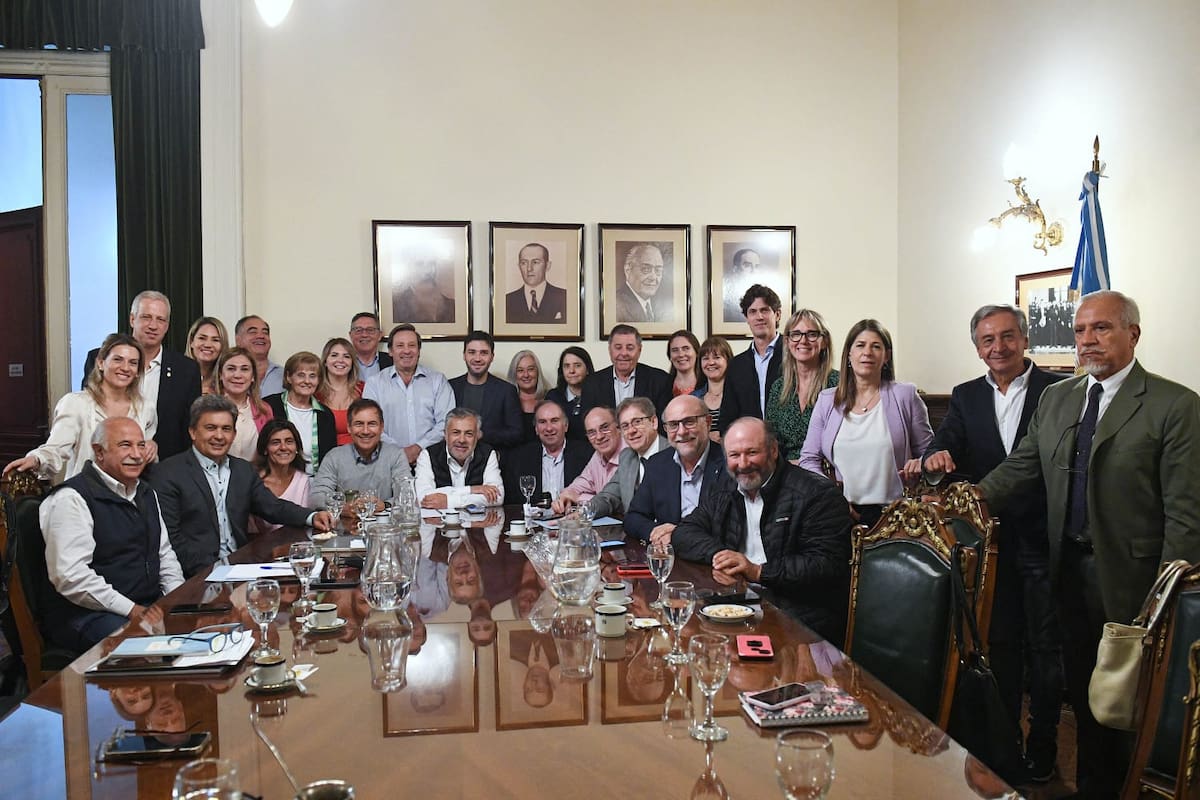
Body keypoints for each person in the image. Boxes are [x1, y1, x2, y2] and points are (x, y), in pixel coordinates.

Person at [978, 290, 1200, 798]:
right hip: (1067, 571)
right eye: (1080, 331)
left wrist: (1168, 601)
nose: (1087, 341)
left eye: (1101, 328)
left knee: (1131, 704)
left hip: (1135, 582)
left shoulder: (1175, 405)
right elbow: (1023, 466)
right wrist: (971, 498)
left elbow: (1186, 516)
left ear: (1132, 334)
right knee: (1082, 692)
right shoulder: (1059, 398)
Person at [921, 303, 1064, 782]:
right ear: (977, 348)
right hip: (990, 543)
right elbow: (943, 444)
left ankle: (1043, 746)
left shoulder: (1058, 391)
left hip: (1043, 538)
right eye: (988, 340)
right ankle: (1006, 745)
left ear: (1024, 340)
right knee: (998, 646)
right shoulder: (966, 395)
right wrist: (935, 456)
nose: (998, 347)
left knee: (1045, 648)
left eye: (1006, 337)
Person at [672, 417, 853, 646]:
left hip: (800, 619)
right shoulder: (725, 488)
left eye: (752, 452)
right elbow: (684, 533)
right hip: (737, 604)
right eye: (734, 455)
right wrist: (723, 556)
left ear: (773, 450)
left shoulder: (817, 494)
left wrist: (757, 571)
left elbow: (826, 565)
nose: (743, 464)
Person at [37, 417, 184, 652]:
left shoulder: (146, 493)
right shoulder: (71, 498)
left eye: (141, 445)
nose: (136, 455)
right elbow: (70, 576)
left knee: (201, 631)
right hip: (87, 614)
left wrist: (177, 600)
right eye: (125, 445)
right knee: (149, 648)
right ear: (99, 452)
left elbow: (164, 554)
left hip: (144, 604)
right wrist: (131, 609)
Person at [150, 395, 332, 578]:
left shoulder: (242, 470)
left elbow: (273, 506)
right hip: (195, 575)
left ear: (234, 434)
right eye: (211, 428)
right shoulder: (168, 473)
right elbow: (171, 538)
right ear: (193, 432)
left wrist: (311, 516)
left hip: (242, 568)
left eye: (226, 429)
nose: (219, 436)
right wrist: (209, 574)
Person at [800, 319, 932, 527]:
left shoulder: (905, 395)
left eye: (876, 346)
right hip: (843, 511)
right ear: (849, 354)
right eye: (860, 345)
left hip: (896, 514)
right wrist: (831, 495)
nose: (867, 352)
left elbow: (930, 454)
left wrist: (920, 463)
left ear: (886, 356)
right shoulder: (827, 400)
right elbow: (808, 459)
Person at [6, 334, 157, 482]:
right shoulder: (75, 404)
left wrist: (151, 447)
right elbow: (56, 448)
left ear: (138, 371)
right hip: (83, 493)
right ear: (100, 363)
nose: (125, 368)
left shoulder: (145, 407)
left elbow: (144, 448)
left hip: (130, 494)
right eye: (118, 359)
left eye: (133, 363)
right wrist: (36, 459)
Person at [80, 290, 201, 459]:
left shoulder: (186, 369)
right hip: (106, 461)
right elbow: (88, 414)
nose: (153, 326)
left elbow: (189, 427)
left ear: (167, 326)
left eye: (160, 320)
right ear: (132, 319)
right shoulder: (99, 358)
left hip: (164, 466)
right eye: (146, 317)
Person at [628, 394, 726, 544]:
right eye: (673, 425)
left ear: (707, 422)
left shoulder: (729, 463)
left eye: (689, 422)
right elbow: (633, 517)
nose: (681, 432)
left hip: (713, 554)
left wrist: (678, 535)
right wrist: (658, 532)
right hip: (670, 553)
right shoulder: (657, 464)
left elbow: (727, 529)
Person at [362, 323, 454, 467]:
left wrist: (419, 447)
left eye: (412, 345)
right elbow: (369, 424)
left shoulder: (438, 381)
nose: (406, 351)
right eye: (400, 346)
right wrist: (399, 452)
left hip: (432, 461)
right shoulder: (374, 384)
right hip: (386, 461)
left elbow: (447, 422)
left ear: (419, 351)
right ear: (390, 351)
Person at [310, 398, 413, 510]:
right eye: (359, 424)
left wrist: (385, 505)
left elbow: (407, 493)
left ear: (381, 427)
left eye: (372, 424)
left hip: (385, 520)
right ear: (349, 427)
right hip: (346, 520)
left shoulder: (396, 455)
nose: (365, 431)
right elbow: (316, 497)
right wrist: (344, 508)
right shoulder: (334, 457)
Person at [767, 309, 840, 462]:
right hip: (787, 471)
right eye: (796, 334)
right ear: (787, 341)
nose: (803, 340)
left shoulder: (839, 384)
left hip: (829, 471)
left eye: (812, 334)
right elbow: (771, 442)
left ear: (824, 341)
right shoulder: (779, 387)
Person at [583, 397, 667, 519]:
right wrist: (582, 513)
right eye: (625, 426)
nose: (631, 430)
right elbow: (609, 497)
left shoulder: (674, 453)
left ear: (653, 422)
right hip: (634, 528)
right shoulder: (627, 457)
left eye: (637, 422)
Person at [718, 284, 785, 434]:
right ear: (747, 318)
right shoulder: (736, 365)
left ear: (777, 315)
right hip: (748, 443)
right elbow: (728, 415)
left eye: (765, 310)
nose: (759, 317)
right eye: (753, 312)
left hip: (788, 444)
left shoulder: (794, 356)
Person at [502, 399, 590, 505]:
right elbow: (512, 503)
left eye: (554, 421)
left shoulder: (587, 455)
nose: (549, 428)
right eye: (542, 422)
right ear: (536, 429)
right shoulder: (518, 459)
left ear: (565, 426)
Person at [414, 408, 505, 510]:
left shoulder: (487, 453)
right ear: (445, 435)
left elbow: (498, 496)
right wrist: (471, 490)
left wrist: (450, 501)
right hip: (438, 520)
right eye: (456, 433)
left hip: (478, 520)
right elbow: (422, 498)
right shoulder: (427, 455)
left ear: (477, 436)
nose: (462, 440)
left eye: (469, 434)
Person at [448, 331, 523, 455]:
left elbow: (516, 433)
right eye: (472, 352)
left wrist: (482, 434)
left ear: (492, 357)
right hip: (453, 460)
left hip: (493, 459)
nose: (477, 358)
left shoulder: (506, 390)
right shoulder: (450, 387)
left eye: (483, 353)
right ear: (464, 355)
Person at [264, 351, 336, 474]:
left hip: (317, 479)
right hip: (279, 477)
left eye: (312, 376)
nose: (307, 381)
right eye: (301, 375)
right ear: (289, 377)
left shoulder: (325, 414)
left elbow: (330, 457)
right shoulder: (269, 405)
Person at [581, 324, 671, 419]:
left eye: (630, 348)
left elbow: (664, 421)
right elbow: (587, 422)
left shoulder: (659, 380)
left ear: (639, 350)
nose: (624, 353)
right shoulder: (592, 383)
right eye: (618, 347)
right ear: (610, 350)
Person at [551, 406, 624, 511]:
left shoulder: (630, 454)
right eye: (592, 432)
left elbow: (618, 504)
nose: (599, 437)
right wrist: (564, 497)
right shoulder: (598, 455)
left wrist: (579, 499)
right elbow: (580, 484)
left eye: (604, 428)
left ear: (618, 427)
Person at [250, 418, 311, 534]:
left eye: (289, 441)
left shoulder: (302, 480)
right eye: (276, 442)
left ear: (296, 448)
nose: (283, 447)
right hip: (259, 543)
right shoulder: (253, 481)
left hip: (295, 542)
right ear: (265, 449)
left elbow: (303, 523)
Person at [215, 347, 273, 462]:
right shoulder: (207, 408)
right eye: (231, 369)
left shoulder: (264, 410)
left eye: (244, 369)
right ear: (221, 374)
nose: (237, 375)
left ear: (253, 377)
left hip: (254, 472)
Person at [504, 243, 567, 324]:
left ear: (547, 266)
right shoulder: (508, 300)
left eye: (535, 262)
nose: (529, 268)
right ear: (519, 266)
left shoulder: (563, 297)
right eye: (524, 263)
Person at [316, 337, 362, 446]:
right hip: (325, 451)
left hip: (360, 451)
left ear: (352, 363)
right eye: (334, 355)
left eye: (346, 356)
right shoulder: (314, 392)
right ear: (325, 361)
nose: (340, 360)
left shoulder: (363, 389)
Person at [546, 346, 594, 442]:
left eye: (577, 365)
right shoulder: (553, 397)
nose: (571, 371)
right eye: (567, 366)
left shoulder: (598, 395)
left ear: (587, 369)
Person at [393, 252, 455, 324]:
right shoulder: (395, 307)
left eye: (432, 263)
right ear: (408, 268)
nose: (428, 271)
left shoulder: (453, 306)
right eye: (419, 264)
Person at [233, 315, 283, 397]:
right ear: (238, 340)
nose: (261, 336)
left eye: (265, 332)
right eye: (253, 332)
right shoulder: (228, 376)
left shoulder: (285, 376)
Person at [615, 243, 666, 323]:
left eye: (658, 270)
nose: (653, 277)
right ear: (628, 269)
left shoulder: (661, 305)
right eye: (646, 269)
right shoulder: (616, 304)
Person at [507, 349, 550, 443]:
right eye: (520, 370)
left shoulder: (551, 398)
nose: (526, 375)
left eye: (530, 369)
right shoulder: (506, 400)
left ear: (537, 372)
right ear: (514, 374)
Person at [696, 336, 733, 440]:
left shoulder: (739, 395)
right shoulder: (693, 398)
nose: (711, 362)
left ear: (728, 360)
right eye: (706, 358)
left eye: (717, 357)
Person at [185, 316, 228, 395]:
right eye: (202, 338)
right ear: (191, 342)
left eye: (215, 340)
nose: (208, 345)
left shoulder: (227, 380)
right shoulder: (176, 375)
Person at [723, 247, 764, 322]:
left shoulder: (765, 296)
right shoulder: (726, 299)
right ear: (735, 269)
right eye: (747, 265)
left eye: (757, 266)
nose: (753, 271)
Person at [348, 312, 393, 379]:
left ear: (380, 335)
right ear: (350, 335)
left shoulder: (393, 361)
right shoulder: (342, 361)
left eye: (370, 330)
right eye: (358, 330)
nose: (364, 335)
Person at [667, 330, 703, 397]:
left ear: (697, 352)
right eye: (675, 350)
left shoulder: (707, 384)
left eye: (686, 348)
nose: (681, 354)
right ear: (670, 356)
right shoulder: (662, 385)